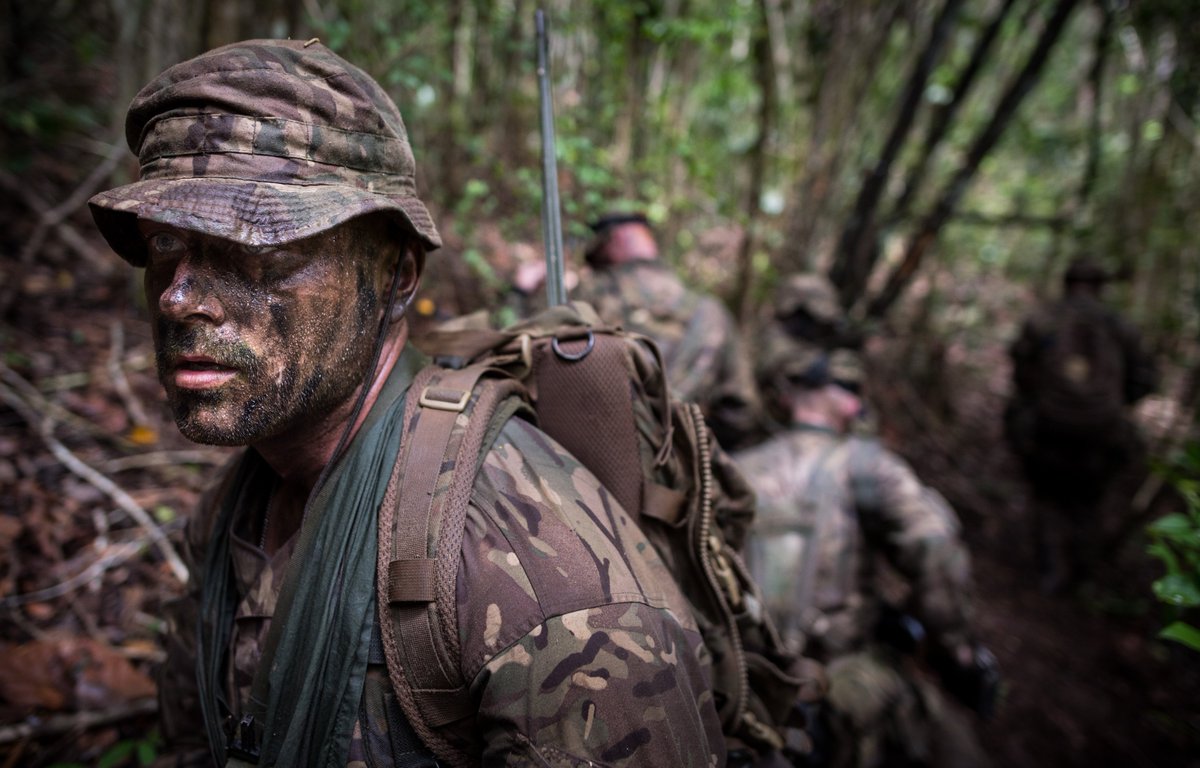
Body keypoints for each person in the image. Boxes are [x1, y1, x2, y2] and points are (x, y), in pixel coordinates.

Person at [88, 39, 724, 767]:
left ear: (395, 272)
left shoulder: (545, 590)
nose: (180, 298)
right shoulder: (241, 506)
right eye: (165, 239)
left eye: (261, 242)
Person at [734, 338, 995, 768]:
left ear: (784, 398)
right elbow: (934, 546)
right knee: (953, 738)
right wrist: (959, 652)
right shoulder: (868, 465)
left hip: (744, 686)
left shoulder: (734, 468)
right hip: (837, 684)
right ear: (851, 404)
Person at [1006, 256, 1157, 594]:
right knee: (1088, 503)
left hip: (1049, 429)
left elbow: (1021, 371)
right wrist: (1110, 406)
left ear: (1067, 282)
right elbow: (1145, 379)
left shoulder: (1045, 319)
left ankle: (1050, 570)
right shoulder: (1120, 326)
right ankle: (1082, 577)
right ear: (1101, 287)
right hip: (1102, 434)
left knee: (1047, 497)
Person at [572, 212, 761, 449]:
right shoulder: (712, 311)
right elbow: (741, 411)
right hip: (684, 466)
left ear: (612, 242)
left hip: (592, 463)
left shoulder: (587, 296)